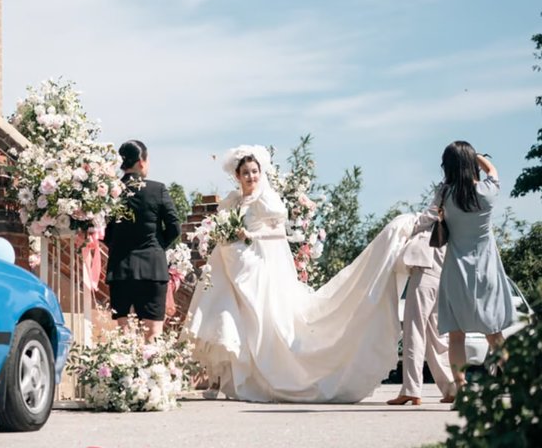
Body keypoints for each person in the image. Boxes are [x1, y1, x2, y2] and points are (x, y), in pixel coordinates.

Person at [185, 145, 415, 403]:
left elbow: (279, 234)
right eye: (246, 173)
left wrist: (251, 235)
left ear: (261, 173)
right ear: (237, 176)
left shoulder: (266, 200)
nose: (251, 177)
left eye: (254, 171)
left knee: (265, 322)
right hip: (234, 266)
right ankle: (239, 381)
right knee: (235, 321)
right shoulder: (233, 201)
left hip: (259, 269)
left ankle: (269, 377)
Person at [434, 142, 514, 394]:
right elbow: (493, 171)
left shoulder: (444, 193)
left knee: (456, 336)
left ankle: (460, 386)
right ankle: (509, 381)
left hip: (456, 269)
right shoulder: (487, 192)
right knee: (494, 333)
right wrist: (477, 156)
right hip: (486, 268)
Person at [103, 140, 181, 339]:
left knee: (124, 334)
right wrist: (157, 245)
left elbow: (105, 232)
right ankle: (151, 370)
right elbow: (174, 227)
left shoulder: (110, 193)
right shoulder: (157, 189)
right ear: (141, 161)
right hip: (152, 270)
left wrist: (118, 245)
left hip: (120, 270)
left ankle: (123, 370)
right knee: (153, 333)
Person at [386, 210, 454, 406]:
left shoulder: (430, 220)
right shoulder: (456, 222)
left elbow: (417, 223)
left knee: (414, 331)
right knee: (437, 335)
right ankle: (450, 387)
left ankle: (411, 389)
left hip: (424, 274)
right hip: (443, 277)